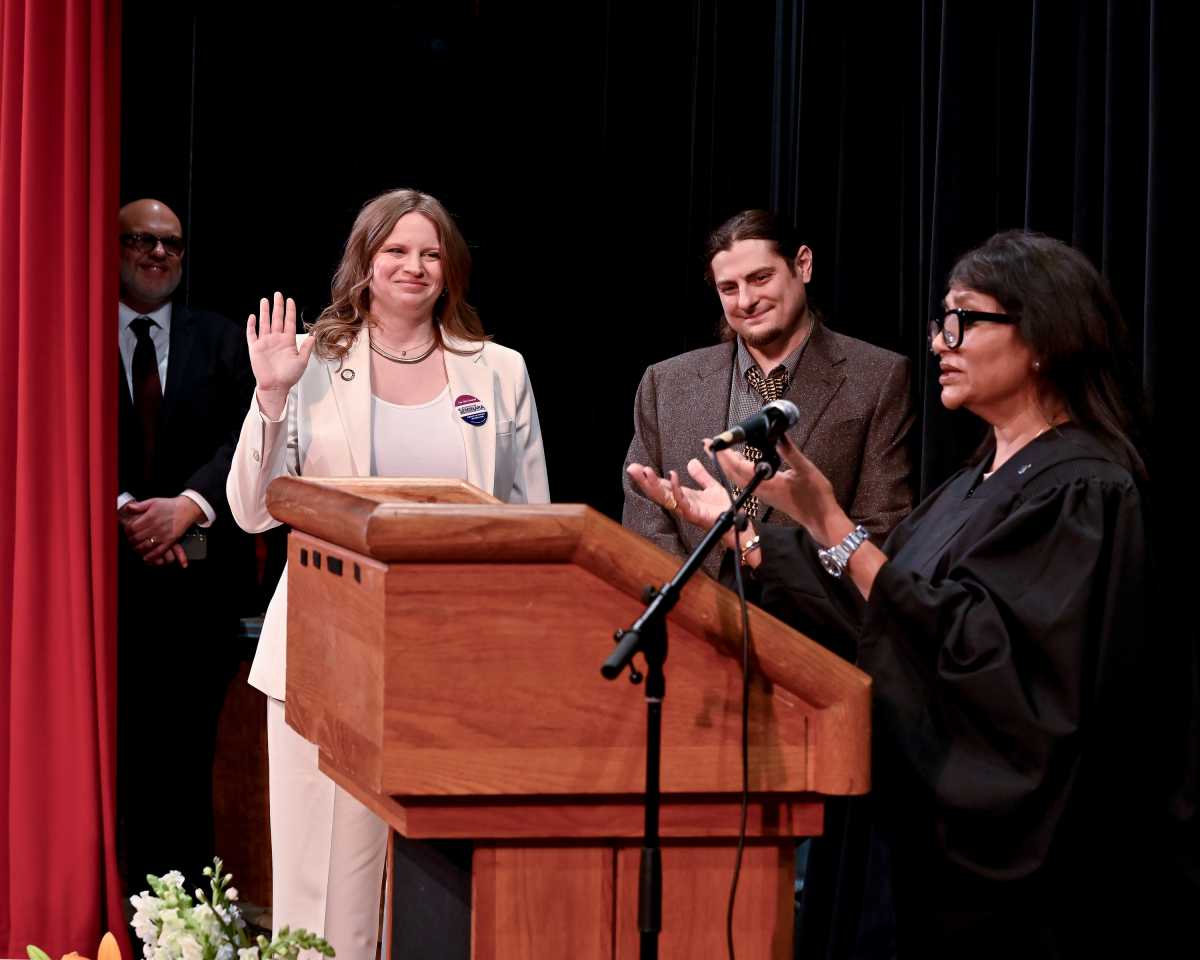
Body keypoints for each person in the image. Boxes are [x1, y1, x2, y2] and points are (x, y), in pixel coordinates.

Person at [631, 231, 1159, 957]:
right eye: (943, 320)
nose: (942, 342)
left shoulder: (1081, 490)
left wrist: (832, 521)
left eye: (964, 321)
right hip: (902, 832)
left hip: (1003, 875)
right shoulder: (966, 487)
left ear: (1042, 338)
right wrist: (740, 539)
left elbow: (983, 658)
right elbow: (874, 618)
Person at [226, 188, 550, 960]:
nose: (415, 265)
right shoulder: (310, 363)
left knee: (434, 880)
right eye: (397, 250)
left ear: (452, 270)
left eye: (431, 252)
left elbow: (529, 521)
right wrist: (271, 397)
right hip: (324, 650)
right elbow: (250, 510)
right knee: (323, 878)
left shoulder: (498, 371)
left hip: (452, 660)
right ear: (366, 263)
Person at [623, 209, 914, 582]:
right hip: (692, 622)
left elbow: (881, 528)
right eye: (728, 288)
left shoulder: (877, 377)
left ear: (803, 265)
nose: (745, 300)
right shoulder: (665, 383)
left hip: (810, 624)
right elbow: (645, 516)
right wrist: (698, 612)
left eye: (760, 278)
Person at [116, 198, 256, 894]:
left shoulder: (224, 340)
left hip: (198, 598)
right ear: (114, 248)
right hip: (98, 598)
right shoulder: (68, 333)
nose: (158, 254)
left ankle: (185, 926)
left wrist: (187, 508)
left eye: (171, 243)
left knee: (187, 766)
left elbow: (248, 440)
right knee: (110, 765)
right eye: (141, 239)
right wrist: (128, 513)